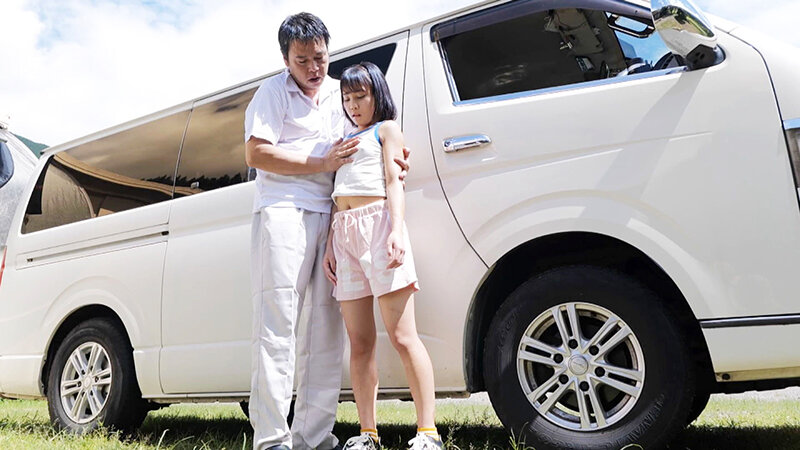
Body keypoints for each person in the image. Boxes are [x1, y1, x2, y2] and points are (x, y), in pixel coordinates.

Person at [244, 13, 408, 450]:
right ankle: (272, 439)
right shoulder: (272, 92)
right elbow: (256, 154)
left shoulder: (340, 93)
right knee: (278, 326)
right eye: (302, 61)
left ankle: (314, 436)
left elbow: (368, 138)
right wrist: (320, 163)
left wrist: (394, 156)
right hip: (283, 209)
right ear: (286, 59)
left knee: (326, 330)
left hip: (334, 218)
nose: (313, 68)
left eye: (319, 57)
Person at [322, 62, 442, 450]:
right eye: (347, 98)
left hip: (378, 227)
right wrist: (331, 244)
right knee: (359, 343)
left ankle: (428, 433)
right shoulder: (345, 138)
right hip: (345, 234)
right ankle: (368, 434)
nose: (353, 105)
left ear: (377, 94)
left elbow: (394, 181)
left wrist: (395, 230)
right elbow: (338, 197)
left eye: (361, 96)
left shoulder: (386, 129)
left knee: (403, 336)